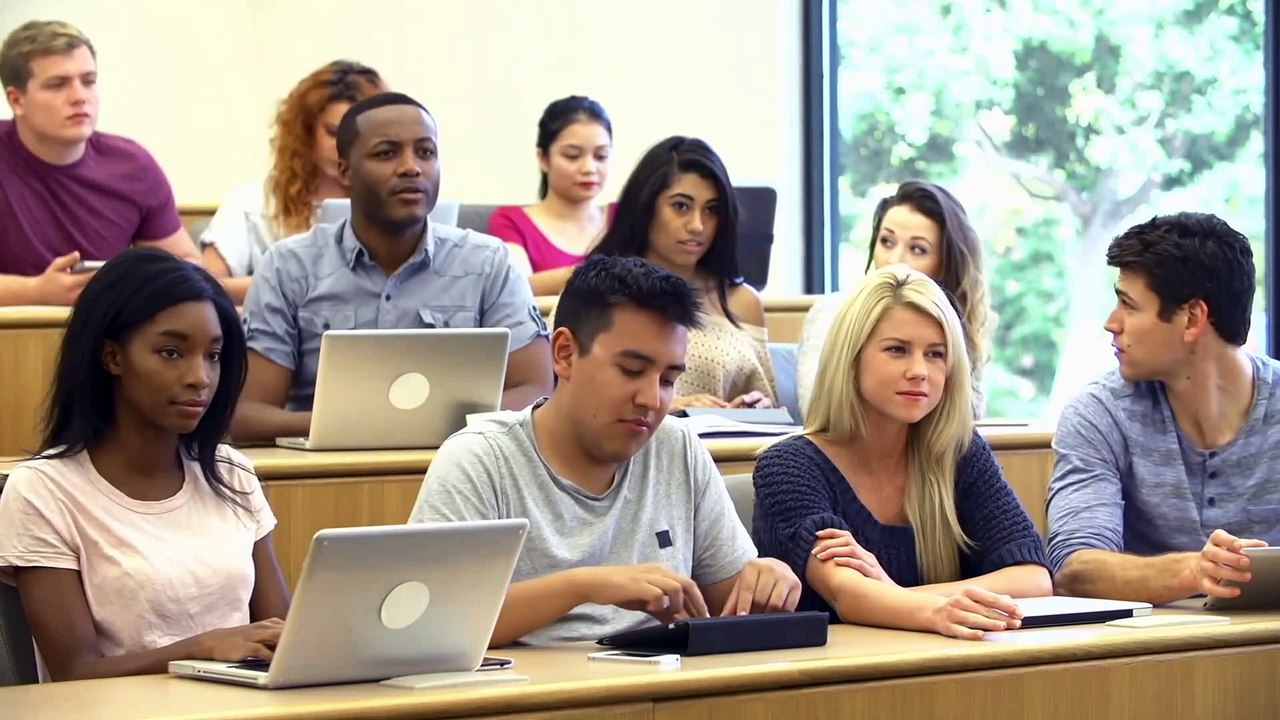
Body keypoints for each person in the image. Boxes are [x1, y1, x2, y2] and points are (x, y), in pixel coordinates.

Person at [408, 255, 801, 646]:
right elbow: (435, 621)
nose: (651, 399)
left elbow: (733, 598)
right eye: (631, 370)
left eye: (667, 380)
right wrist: (584, 586)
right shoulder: (480, 460)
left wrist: (766, 583)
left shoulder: (676, 446)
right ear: (564, 354)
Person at [0, 247, 290, 681]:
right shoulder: (43, 489)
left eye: (213, 355)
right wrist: (204, 648)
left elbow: (280, 635)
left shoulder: (232, 472)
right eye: (172, 352)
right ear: (112, 357)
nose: (200, 377)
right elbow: (73, 672)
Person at [232, 92, 552, 442]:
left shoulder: (488, 263)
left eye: (425, 152)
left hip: (458, 466)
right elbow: (249, 415)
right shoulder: (288, 266)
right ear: (345, 171)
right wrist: (361, 426)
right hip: (321, 474)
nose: (411, 167)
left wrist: (421, 427)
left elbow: (535, 391)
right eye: (386, 153)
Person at [753, 265, 1049, 641]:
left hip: (942, 668)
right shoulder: (789, 466)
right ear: (852, 357)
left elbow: (1033, 577)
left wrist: (894, 595)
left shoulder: (958, 452)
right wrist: (918, 603)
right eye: (897, 350)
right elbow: (849, 595)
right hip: (828, 680)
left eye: (936, 354)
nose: (919, 371)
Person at [1048, 212, 1278, 605]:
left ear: (1191, 318)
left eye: (1129, 306)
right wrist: (1195, 570)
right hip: (1154, 657)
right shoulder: (1098, 414)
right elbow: (1073, 568)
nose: (1111, 323)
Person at [0, 20, 200, 306]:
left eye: (89, 81)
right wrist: (35, 292)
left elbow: (190, 266)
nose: (79, 97)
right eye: (58, 85)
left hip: (108, 334)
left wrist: (138, 280)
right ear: (16, 100)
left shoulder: (132, 166)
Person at [590, 136, 777, 412]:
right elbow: (575, 402)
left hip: (729, 450)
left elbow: (770, 410)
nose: (697, 225)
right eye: (681, 206)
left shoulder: (742, 301)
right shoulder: (597, 292)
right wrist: (671, 408)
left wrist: (759, 406)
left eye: (711, 210)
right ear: (646, 206)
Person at [797, 181, 990, 418]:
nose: (894, 259)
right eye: (886, 242)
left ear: (946, 264)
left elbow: (968, 423)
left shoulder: (960, 326)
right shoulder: (833, 312)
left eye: (918, 249)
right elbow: (818, 412)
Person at [199, 60, 386, 303]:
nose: (341, 146)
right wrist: (293, 283)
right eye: (331, 132)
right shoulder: (253, 201)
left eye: (354, 135)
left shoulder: (390, 201)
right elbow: (208, 285)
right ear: (305, 130)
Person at [488, 95, 614, 296]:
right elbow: (518, 287)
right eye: (572, 156)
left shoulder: (624, 214)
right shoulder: (511, 220)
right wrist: (608, 275)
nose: (589, 168)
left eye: (601, 156)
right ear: (543, 158)